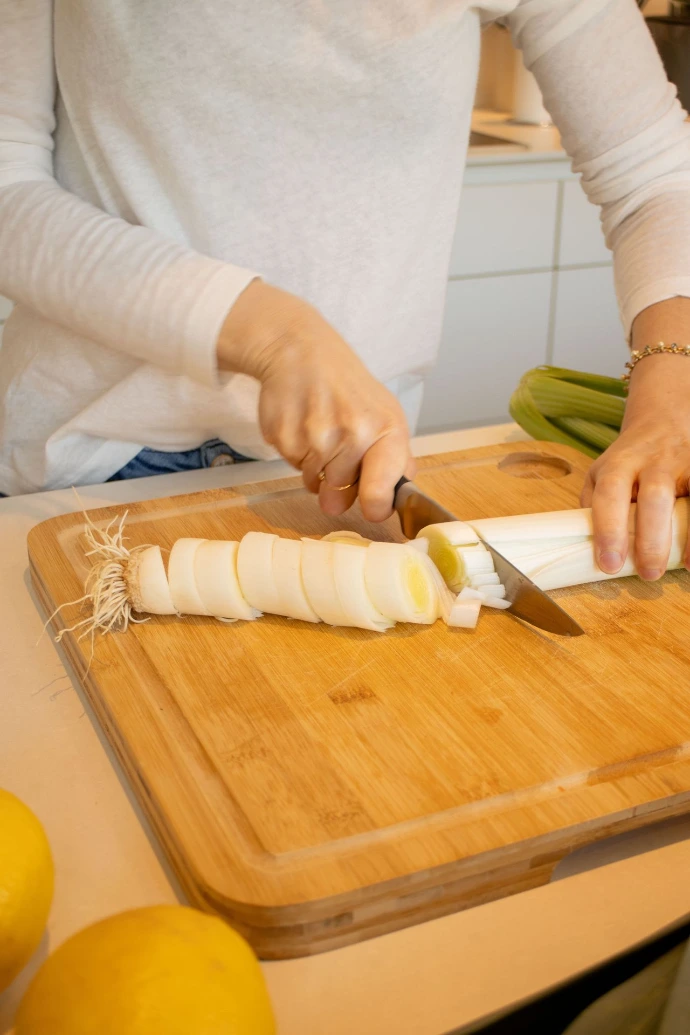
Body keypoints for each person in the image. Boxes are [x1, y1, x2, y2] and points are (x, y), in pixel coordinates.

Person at [0, 0, 689, 593]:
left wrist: (670, 388)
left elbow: (655, 179)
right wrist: (270, 333)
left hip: (355, 480)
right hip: (87, 461)